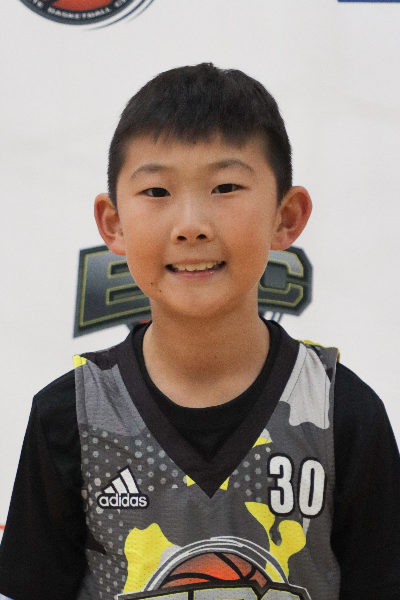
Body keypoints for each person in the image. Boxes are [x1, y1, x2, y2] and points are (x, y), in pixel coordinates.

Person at [0, 63, 399, 600]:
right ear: (113, 223)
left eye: (225, 187)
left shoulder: (342, 415)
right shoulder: (69, 416)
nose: (191, 224)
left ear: (286, 216)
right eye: (157, 191)